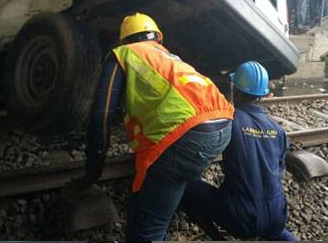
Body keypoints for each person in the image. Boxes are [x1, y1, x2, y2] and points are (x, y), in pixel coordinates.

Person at [82, 13, 234, 241]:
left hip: (187, 135)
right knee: (175, 177)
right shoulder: (169, 57)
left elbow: (101, 114)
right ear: (157, 38)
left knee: (146, 232)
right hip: (222, 124)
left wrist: (94, 167)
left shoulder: (123, 54)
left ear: (124, 39)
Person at [182, 61, 297, 241]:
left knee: (185, 184)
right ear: (264, 94)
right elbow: (279, 170)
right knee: (270, 226)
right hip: (277, 216)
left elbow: (202, 152)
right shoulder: (278, 130)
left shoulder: (230, 120)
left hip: (243, 218)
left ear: (234, 89)